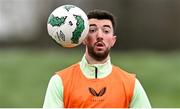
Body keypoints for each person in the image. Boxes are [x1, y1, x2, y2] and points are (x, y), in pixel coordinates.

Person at [43, 9, 151, 108]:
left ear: (113, 40)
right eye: (93, 30)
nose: (99, 35)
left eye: (106, 31)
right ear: (83, 38)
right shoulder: (59, 81)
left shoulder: (131, 84)